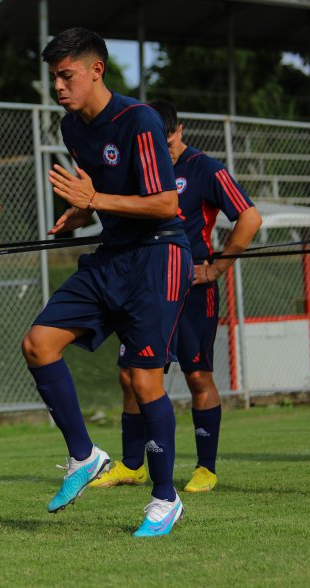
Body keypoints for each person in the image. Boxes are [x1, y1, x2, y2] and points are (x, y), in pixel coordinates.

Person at [20, 27, 192, 538]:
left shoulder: (138, 120)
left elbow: (165, 203)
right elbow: (102, 192)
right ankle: (84, 455)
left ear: (97, 70)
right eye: (53, 77)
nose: (58, 86)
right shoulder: (74, 128)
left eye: (66, 75)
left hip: (159, 253)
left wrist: (94, 203)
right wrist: (80, 210)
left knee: (143, 382)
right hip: (112, 255)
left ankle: (165, 498)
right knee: (38, 344)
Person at [89, 99, 261, 493]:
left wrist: (216, 268)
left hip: (192, 287)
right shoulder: (141, 164)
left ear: (179, 131)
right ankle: (132, 465)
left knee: (198, 375)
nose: (161, 147)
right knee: (132, 376)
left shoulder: (205, 169)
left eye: (166, 139)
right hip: (147, 285)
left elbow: (249, 217)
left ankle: (206, 468)